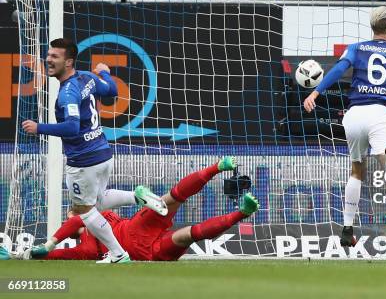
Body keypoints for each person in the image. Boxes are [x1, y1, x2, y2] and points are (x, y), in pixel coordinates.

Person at [21, 38, 167, 263]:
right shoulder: (88, 78)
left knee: (84, 212)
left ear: (68, 62)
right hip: (102, 152)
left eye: (55, 57)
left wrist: (38, 127)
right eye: (48, 55)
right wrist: (105, 73)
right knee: (96, 203)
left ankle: (118, 254)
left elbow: (71, 127)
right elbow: (111, 90)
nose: (48, 60)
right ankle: (136, 196)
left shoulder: (67, 93)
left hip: (83, 160)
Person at [303, 6, 386, 247]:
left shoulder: (356, 48)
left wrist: (316, 92)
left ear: (373, 27)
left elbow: (338, 70)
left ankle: (347, 228)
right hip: (380, 113)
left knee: (357, 170)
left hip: (353, 115)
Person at [4, 157, 259, 262]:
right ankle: (239, 207)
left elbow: (75, 224)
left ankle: (224, 181)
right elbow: (64, 247)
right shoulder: (86, 241)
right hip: (141, 238)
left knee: (177, 208)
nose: (70, 217)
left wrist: (43, 249)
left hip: (139, 239)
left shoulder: (94, 218)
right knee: (185, 225)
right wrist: (40, 250)